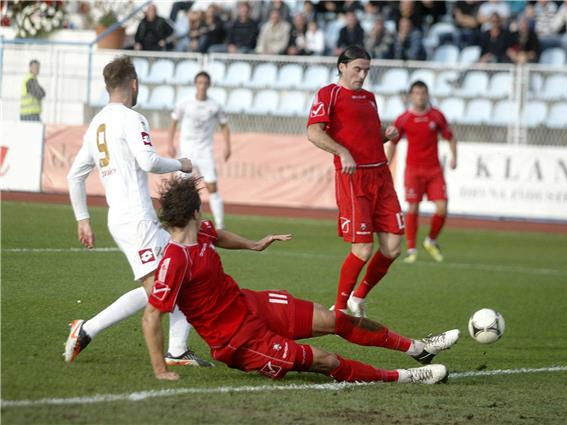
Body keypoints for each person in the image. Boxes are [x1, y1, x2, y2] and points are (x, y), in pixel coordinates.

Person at [142, 176, 460, 383]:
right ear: (195, 213)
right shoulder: (175, 259)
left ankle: (417, 348)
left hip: (250, 304)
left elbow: (218, 235)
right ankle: (406, 376)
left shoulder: (200, 233)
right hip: (237, 341)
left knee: (335, 319)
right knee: (326, 360)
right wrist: (159, 369)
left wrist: (253, 244)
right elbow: (152, 315)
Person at [64, 55, 212, 368]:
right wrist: (181, 164)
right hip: (137, 218)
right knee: (166, 286)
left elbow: (74, 176)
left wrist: (83, 219)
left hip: (122, 217)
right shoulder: (131, 118)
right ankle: (91, 330)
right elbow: (148, 161)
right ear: (133, 84)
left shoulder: (97, 125)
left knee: (178, 275)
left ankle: (174, 349)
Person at [306, 46, 403, 319]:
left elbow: (369, 134)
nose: (362, 75)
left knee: (393, 247)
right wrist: (342, 152)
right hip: (353, 178)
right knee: (362, 247)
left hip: (381, 176)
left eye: (366, 71)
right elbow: (313, 132)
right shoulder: (329, 94)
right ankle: (338, 309)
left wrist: (387, 133)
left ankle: (358, 297)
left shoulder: (369, 98)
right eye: (357, 69)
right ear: (342, 67)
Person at [390, 81, 457, 264]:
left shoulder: (436, 116)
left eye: (423, 93)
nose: (420, 96)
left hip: (434, 170)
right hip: (413, 170)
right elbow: (392, 143)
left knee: (442, 208)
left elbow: (450, 137)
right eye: (416, 93)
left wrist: (453, 157)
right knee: (413, 207)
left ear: (427, 95)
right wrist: (387, 164)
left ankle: (430, 240)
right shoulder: (403, 119)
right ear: (411, 95)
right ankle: (411, 249)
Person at [167, 71, 231, 230]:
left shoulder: (215, 105)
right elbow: (174, 122)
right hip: (186, 151)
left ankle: (220, 225)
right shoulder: (185, 103)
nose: (202, 86)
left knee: (212, 187)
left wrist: (227, 146)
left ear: (209, 85)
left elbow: (224, 126)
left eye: (205, 83)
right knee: (180, 186)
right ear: (195, 84)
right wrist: (170, 143)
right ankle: (177, 220)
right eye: (199, 82)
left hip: (205, 151)